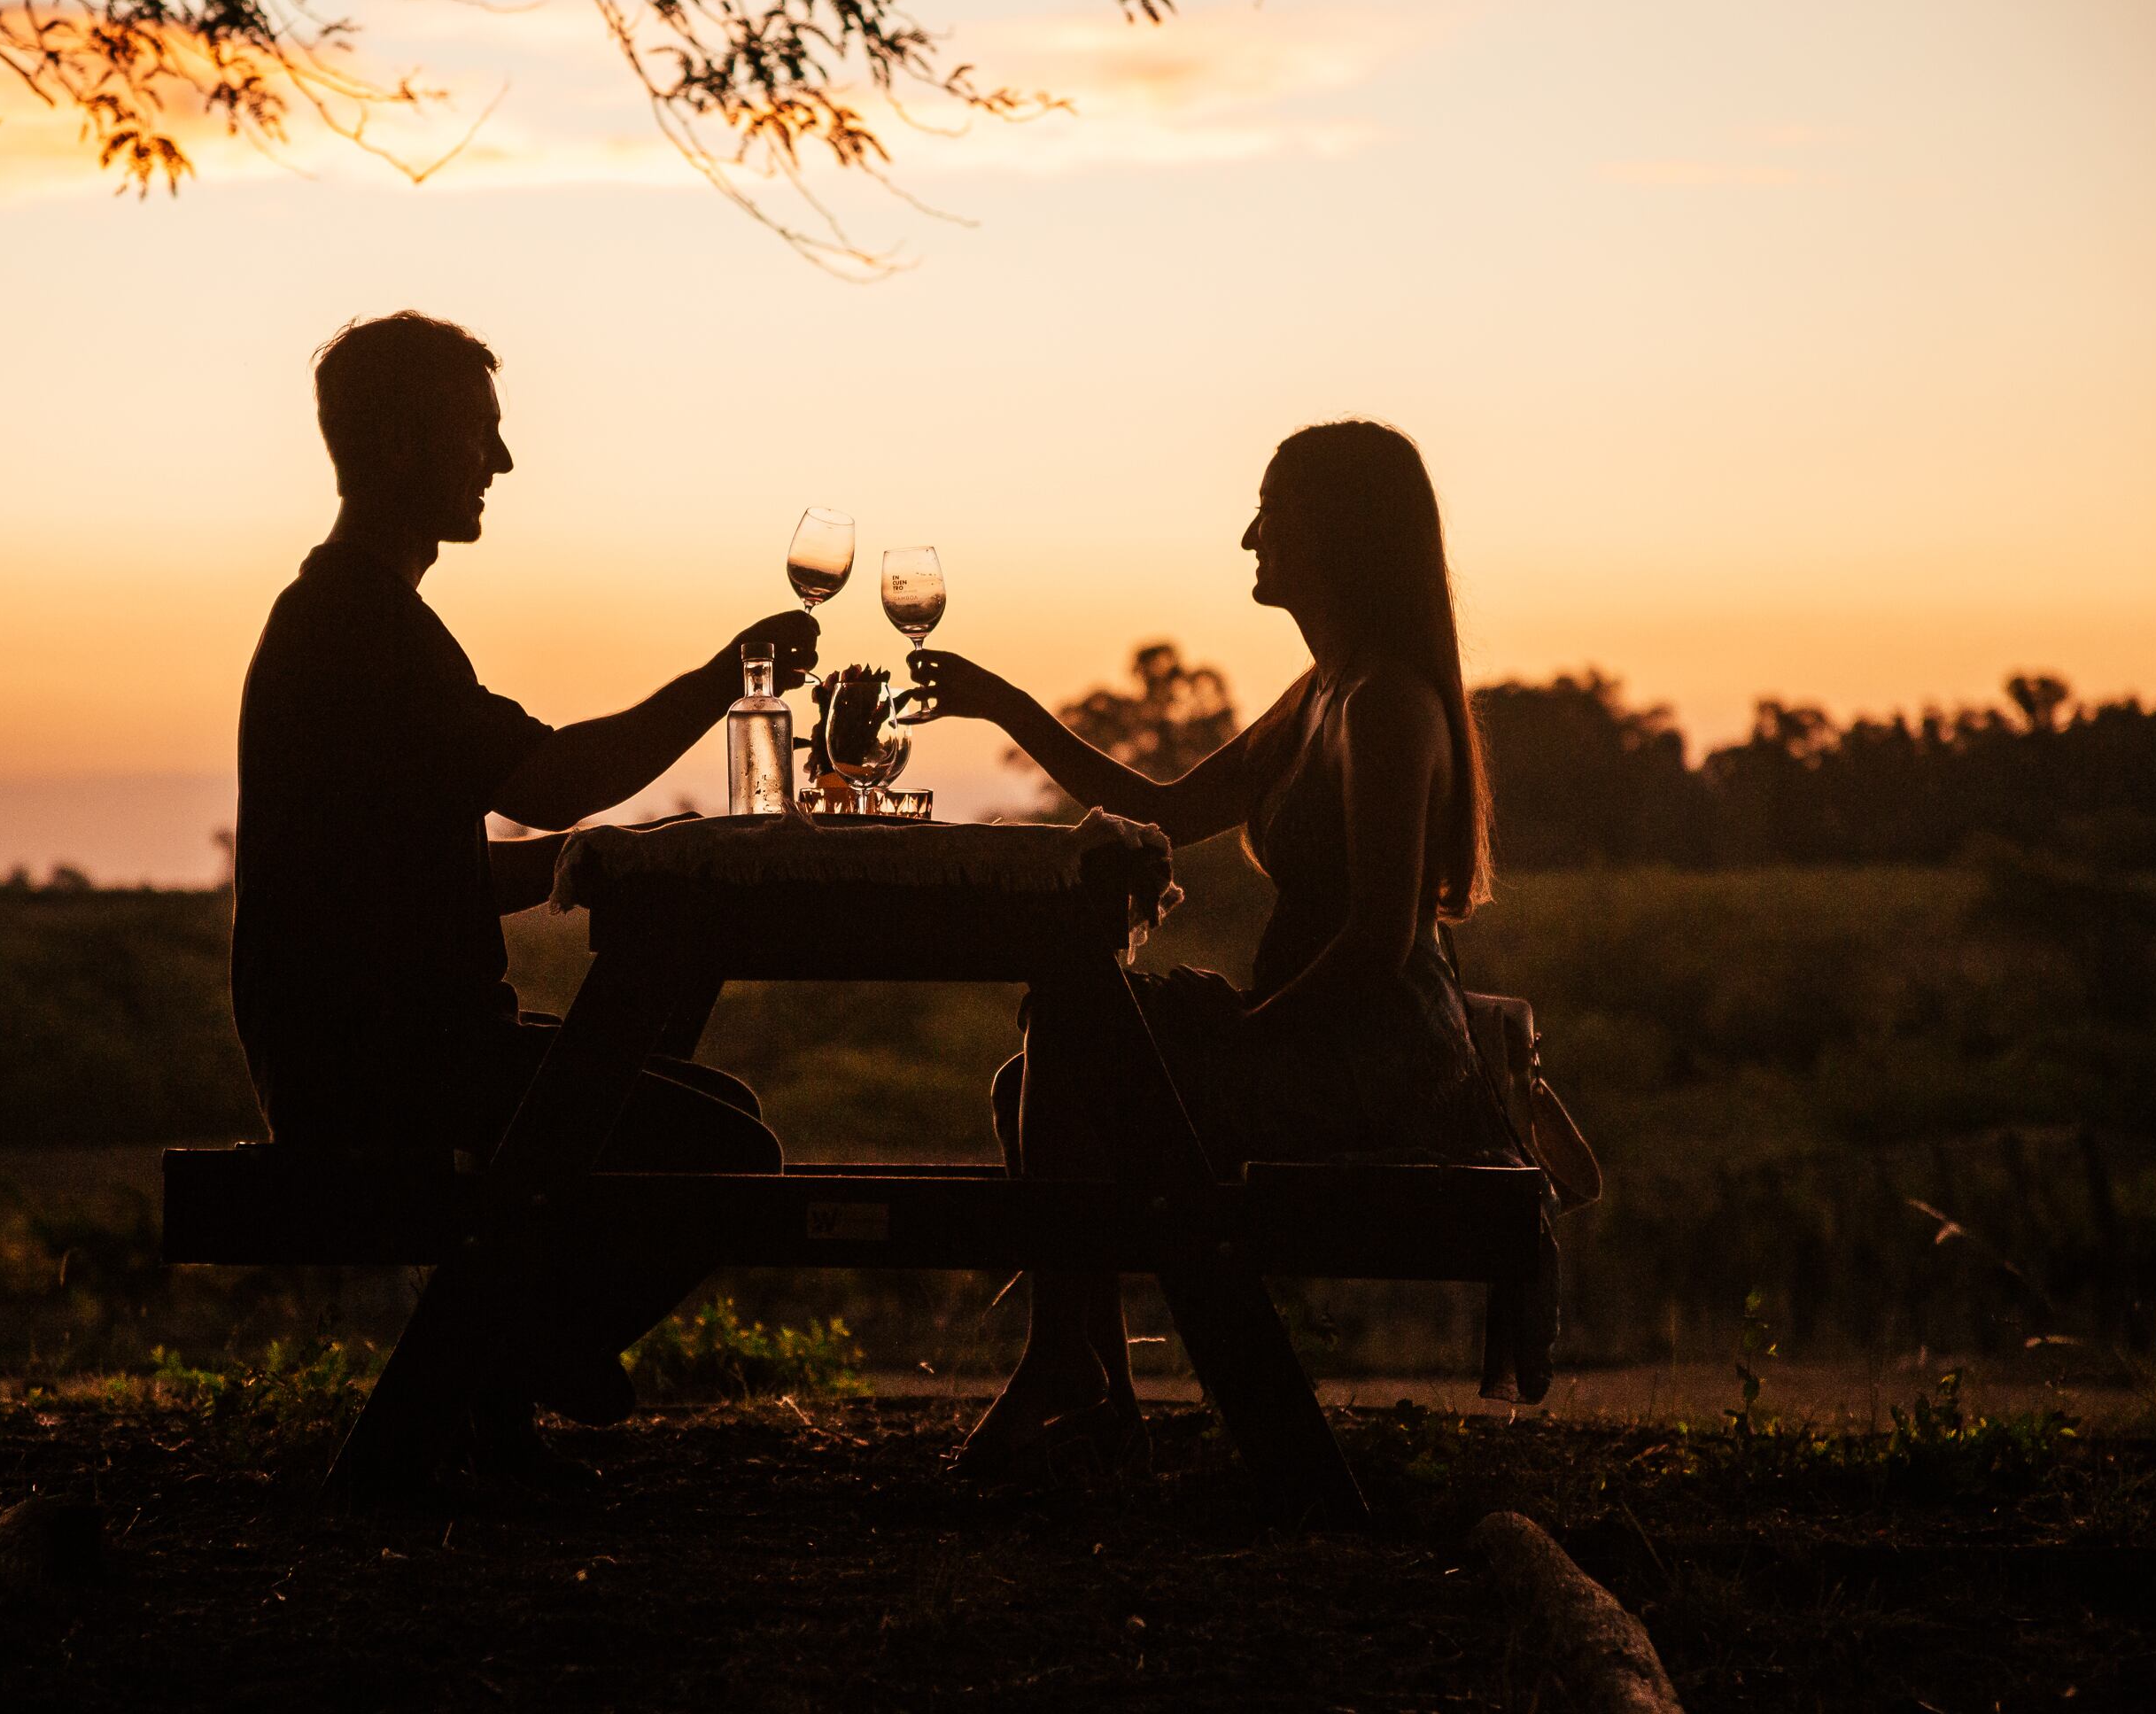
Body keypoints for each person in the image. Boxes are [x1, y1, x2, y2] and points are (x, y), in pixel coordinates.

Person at [229, 310, 813, 1492]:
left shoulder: (357, 617)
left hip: (371, 1045)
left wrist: (594, 864)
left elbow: (410, 869)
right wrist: (724, 678)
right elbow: (554, 783)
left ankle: (494, 1386)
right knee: (727, 1150)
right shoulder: (362, 627)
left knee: (706, 1104)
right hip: (380, 1064)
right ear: (401, 441)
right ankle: (516, 1352)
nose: (500, 464)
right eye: (479, 434)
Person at [905, 419, 1533, 1477]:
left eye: (1270, 511)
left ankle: (1075, 1370)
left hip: (1374, 1066)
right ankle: (1082, 1373)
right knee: (1042, 1065)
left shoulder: (1385, 707)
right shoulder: (1321, 694)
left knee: (1070, 1030)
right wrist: (1000, 702)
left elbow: (1379, 945)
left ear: (1334, 531)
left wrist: (1244, 1034)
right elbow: (1158, 804)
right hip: (1312, 1040)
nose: (1249, 535)